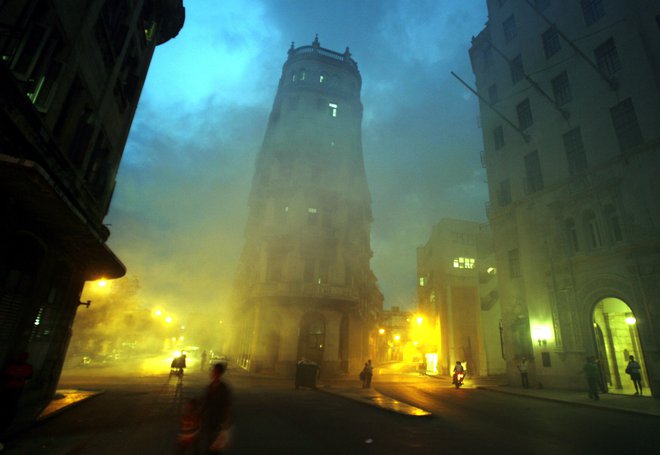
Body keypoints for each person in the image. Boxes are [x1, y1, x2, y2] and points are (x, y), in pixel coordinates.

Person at [0, 352, 33, 450]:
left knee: (8, 405)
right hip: (15, 388)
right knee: (11, 406)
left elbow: (5, 375)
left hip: (10, 388)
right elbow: (28, 376)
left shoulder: (12, 367)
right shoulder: (26, 367)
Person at [201, 363, 233, 454]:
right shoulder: (210, 387)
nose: (211, 373)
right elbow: (205, 403)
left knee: (216, 445)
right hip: (209, 419)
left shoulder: (224, 388)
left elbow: (227, 405)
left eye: (214, 371)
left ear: (218, 373)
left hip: (219, 420)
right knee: (210, 442)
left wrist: (226, 421)